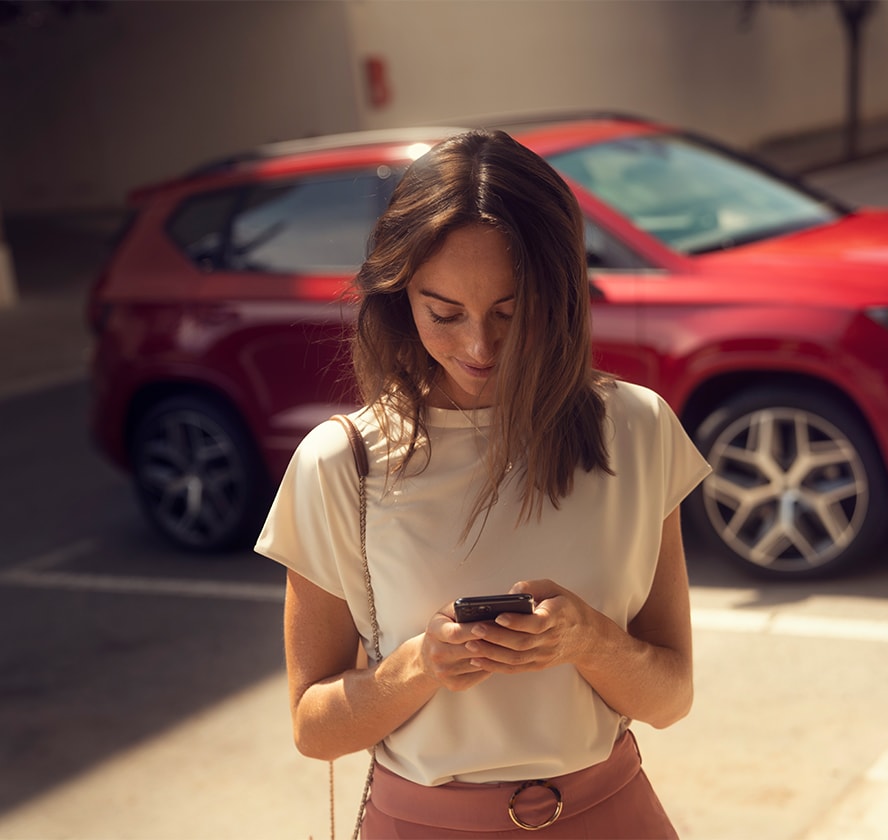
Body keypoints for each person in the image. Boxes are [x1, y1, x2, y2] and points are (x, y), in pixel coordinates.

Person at [256, 128, 711, 839]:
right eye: (445, 313)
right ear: (400, 295)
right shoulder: (340, 464)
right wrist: (421, 666)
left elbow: (672, 696)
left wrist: (589, 641)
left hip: (612, 815)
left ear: (558, 295)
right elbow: (314, 729)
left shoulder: (637, 428)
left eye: (509, 312)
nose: (478, 347)